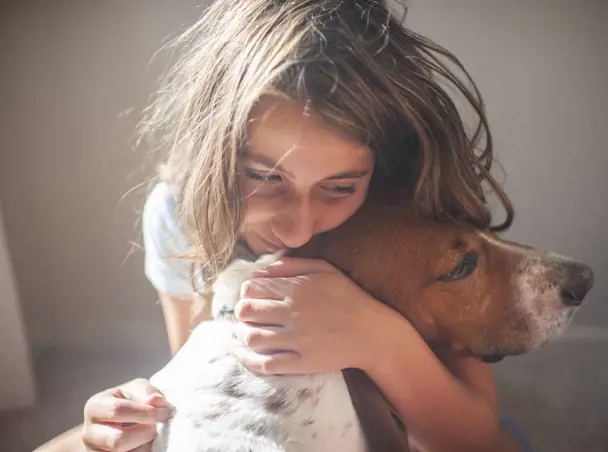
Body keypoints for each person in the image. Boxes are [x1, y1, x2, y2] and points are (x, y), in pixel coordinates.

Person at [37, 1, 533, 451]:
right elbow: (193, 364)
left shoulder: (405, 213)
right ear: (217, 153)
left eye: (339, 186)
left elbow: (470, 437)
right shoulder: (177, 213)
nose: (298, 229)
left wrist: (379, 339)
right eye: (265, 177)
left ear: (380, 170)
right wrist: (130, 410)